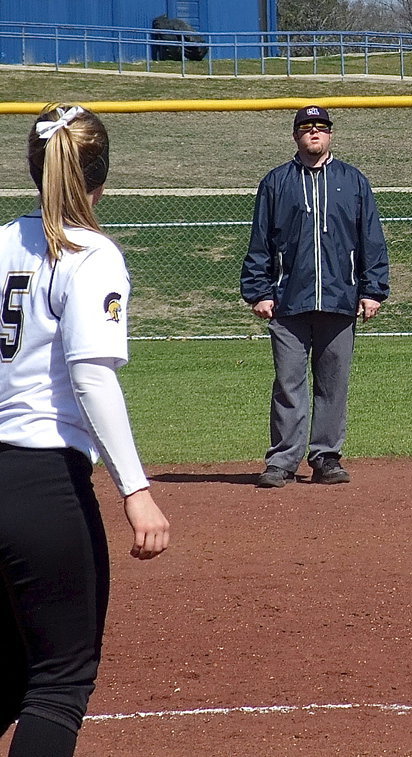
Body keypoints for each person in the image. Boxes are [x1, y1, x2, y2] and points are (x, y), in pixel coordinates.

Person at [0, 104, 170, 756]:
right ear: (100, 177)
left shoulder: (4, 239)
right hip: (43, 480)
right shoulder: (92, 252)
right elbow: (91, 375)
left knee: (10, 670)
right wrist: (136, 488)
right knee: (59, 683)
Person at [241, 105, 390, 488]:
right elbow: (260, 242)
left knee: (333, 384)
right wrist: (258, 291)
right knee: (289, 384)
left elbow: (371, 240)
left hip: (340, 299)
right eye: (307, 127)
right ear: (295, 135)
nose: (314, 133)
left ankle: (325, 457)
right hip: (289, 301)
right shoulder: (276, 182)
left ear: (330, 135)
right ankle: (282, 461)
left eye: (321, 127)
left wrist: (372, 290)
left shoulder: (353, 181)